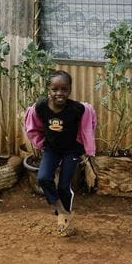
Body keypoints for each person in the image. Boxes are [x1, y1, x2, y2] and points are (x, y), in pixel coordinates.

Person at [24, 69, 96, 235]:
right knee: (43, 177)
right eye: (55, 89)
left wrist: (86, 147)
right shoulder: (41, 106)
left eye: (64, 89)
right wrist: (41, 141)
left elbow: (87, 126)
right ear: (48, 90)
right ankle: (59, 208)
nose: (59, 93)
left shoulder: (77, 109)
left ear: (70, 89)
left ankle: (66, 217)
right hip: (52, 149)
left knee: (64, 186)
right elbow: (33, 124)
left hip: (71, 151)